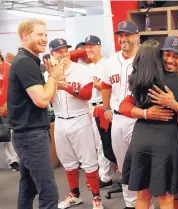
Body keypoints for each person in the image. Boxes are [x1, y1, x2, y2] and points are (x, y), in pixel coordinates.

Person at [118, 37, 178, 209]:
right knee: (167, 196)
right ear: (159, 55)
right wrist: (147, 113)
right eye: (166, 54)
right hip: (167, 140)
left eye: (176, 56)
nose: (170, 59)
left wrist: (172, 104)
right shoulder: (175, 78)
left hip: (147, 137)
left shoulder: (138, 77)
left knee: (143, 196)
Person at [7, 18, 63, 209]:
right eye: (39, 34)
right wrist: (54, 76)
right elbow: (41, 100)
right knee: (49, 193)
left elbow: (49, 97)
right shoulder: (25, 63)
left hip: (29, 133)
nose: (44, 39)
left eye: (46, 34)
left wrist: (54, 77)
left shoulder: (29, 61)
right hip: (30, 135)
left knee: (28, 187)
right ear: (25, 36)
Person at [47, 38, 104, 209]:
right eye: (59, 51)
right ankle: (74, 195)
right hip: (60, 120)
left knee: (89, 161)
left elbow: (87, 94)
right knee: (68, 161)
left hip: (79, 118)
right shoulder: (48, 73)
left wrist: (67, 87)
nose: (64, 54)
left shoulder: (81, 69)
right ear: (52, 54)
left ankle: (96, 198)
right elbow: (47, 98)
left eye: (65, 50)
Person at [101, 20, 143, 209]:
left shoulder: (146, 58)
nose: (123, 38)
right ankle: (130, 202)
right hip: (117, 117)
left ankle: (145, 202)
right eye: (121, 35)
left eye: (127, 35)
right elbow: (106, 85)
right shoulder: (111, 60)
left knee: (141, 162)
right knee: (123, 162)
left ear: (137, 36)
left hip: (139, 119)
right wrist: (106, 107)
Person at [84, 35, 115, 189]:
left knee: (104, 143)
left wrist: (96, 85)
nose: (88, 49)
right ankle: (102, 173)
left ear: (99, 47)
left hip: (103, 106)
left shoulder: (108, 64)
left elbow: (110, 88)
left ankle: (106, 176)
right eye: (86, 46)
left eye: (91, 46)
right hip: (90, 107)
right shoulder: (89, 67)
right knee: (96, 143)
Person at [0, 53, 19, 171]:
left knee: (6, 133)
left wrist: (4, 104)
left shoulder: (8, 67)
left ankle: (12, 160)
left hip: (5, 105)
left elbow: (10, 87)